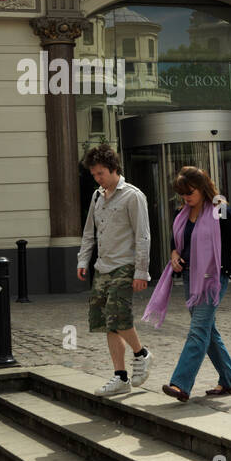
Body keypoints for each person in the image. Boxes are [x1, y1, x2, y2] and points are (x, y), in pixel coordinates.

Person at [141, 167, 231, 402]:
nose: (186, 197)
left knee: (197, 330)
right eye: (182, 193)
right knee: (207, 330)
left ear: (203, 187)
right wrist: (174, 256)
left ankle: (180, 384)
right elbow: (176, 243)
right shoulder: (182, 213)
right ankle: (229, 379)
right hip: (190, 277)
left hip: (214, 278)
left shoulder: (219, 208)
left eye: (190, 192)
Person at [76, 146, 153, 397]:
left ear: (113, 169)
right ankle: (120, 376)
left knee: (119, 316)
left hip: (125, 265)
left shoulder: (133, 196)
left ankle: (141, 354)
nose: (97, 178)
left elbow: (143, 236)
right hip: (103, 266)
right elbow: (89, 232)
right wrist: (82, 260)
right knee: (107, 324)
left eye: (100, 173)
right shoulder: (97, 196)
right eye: (94, 174)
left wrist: (141, 272)